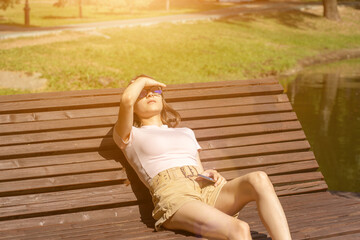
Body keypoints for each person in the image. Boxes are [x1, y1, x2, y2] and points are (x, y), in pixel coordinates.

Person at [113, 75, 292, 240]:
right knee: (239, 229)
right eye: (142, 92)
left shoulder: (186, 132)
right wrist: (143, 79)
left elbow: (198, 170)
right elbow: (126, 100)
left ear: (163, 99)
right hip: (176, 197)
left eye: (155, 91)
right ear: (134, 108)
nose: (150, 94)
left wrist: (209, 174)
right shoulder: (129, 135)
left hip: (205, 189)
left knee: (259, 178)